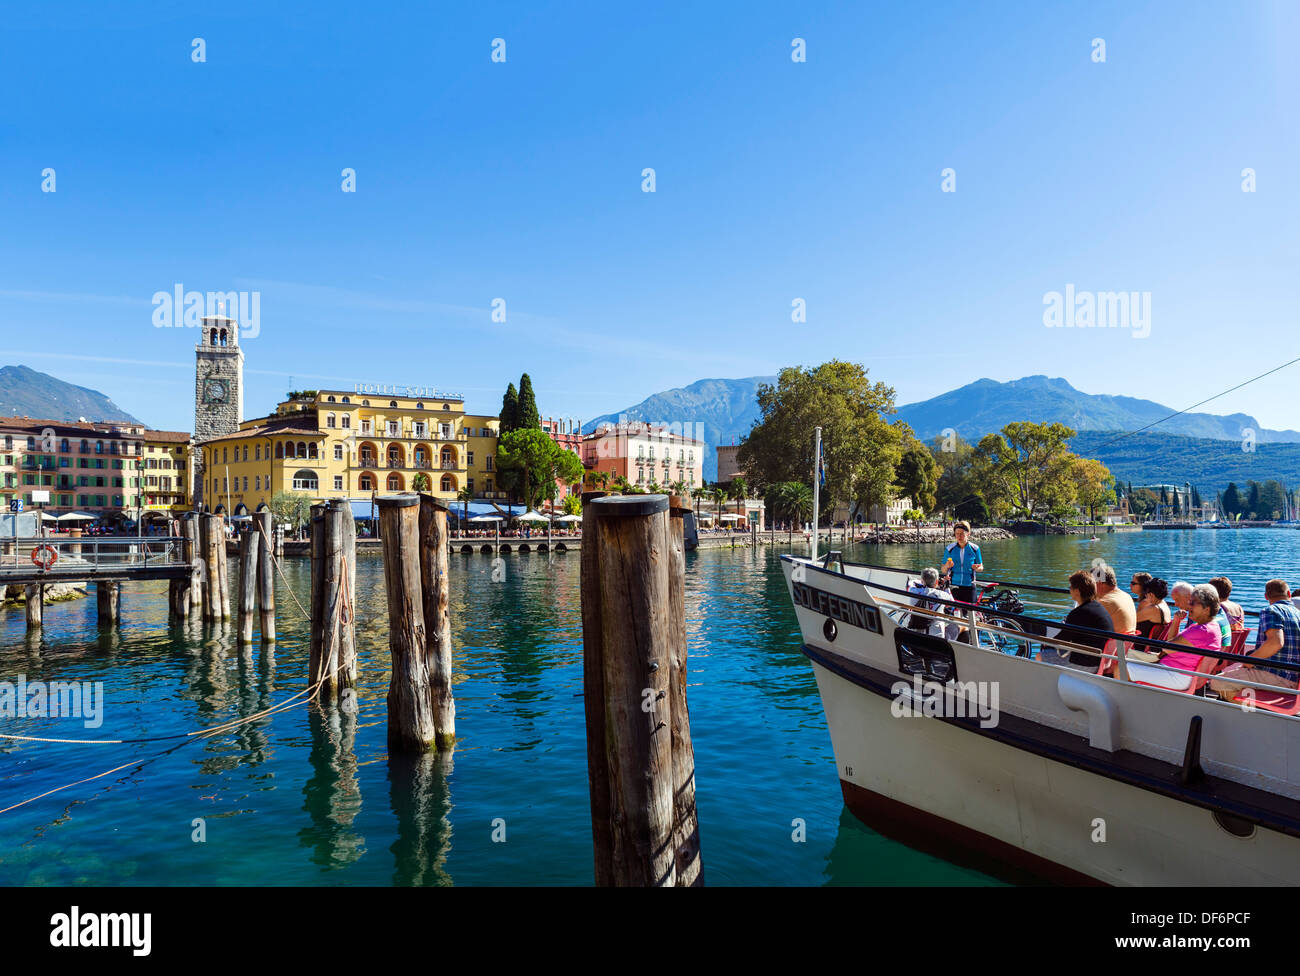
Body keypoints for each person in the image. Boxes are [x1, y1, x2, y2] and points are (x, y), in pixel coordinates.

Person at [1210, 579, 1300, 701]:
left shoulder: (1271, 610)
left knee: (1216, 681)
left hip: (1276, 676)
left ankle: (1250, 709)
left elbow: (1276, 643)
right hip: (1293, 678)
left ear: (1266, 596)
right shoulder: (1297, 613)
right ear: (1289, 594)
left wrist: (1249, 662)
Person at [1128, 583, 1221, 691]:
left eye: (1193, 602)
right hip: (1177, 671)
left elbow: (1167, 648)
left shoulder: (1201, 631)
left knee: (1121, 668)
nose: (1189, 605)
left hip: (1177, 674)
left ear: (1207, 609)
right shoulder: (1208, 627)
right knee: (1126, 664)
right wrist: (1176, 621)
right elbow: (1170, 644)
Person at [1059, 570, 1115, 668]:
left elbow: (1061, 639)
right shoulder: (1100, 608)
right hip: (1101, 662)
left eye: (1070, 587)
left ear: (1077, 591)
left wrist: (1045, 641)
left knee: (1041, 655)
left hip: (1086, 664)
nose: (1069, 590)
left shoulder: (1077, 613)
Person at [940, 521, 983, 641]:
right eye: (956, 534)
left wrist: (977, 568)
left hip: (970, 586)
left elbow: (981, 566)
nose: (959, 536)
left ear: (968, 534)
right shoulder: (950, 548)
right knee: (956, 618)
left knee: (971, 618)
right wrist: (947, 565)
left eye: (962, 533)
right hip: (954, 587)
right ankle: (959, 643)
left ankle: (973, 643)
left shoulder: (975, 549)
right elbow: (943, 569)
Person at [1093, 564, 1136, 635]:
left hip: (1113, 644)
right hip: (1126, 644)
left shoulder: (1105, 602)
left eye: (1092, 583)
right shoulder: (1127, 596)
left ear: (1099, 583)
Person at [906, 568, 946, 635]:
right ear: (936, 582)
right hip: (936, 636)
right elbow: (951, 604)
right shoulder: (943, 595)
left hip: (916, 633)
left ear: (922, 581)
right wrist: (945, 587)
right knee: (963, 627)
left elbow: (911, 583)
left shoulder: (913, 591)